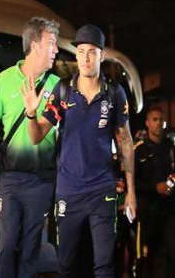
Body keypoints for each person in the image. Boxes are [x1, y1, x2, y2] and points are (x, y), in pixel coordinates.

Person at [21, 24, 137, 277]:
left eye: (91, 52)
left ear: (101, 56)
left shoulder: (115, 93)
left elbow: (125, 142)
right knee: (66, 265)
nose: (84, 58)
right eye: (80, 51)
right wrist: (31, 113)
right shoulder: (62, 90)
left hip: (102, 191)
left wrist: (131, 192)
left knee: (105, 265)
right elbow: (36, 136)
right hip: (69, 192)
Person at [0, 17, 60, 278]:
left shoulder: (56, 86)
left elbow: (50, 133)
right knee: (6, 244)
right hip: (11, 179)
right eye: (52, 43)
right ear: (35, 45)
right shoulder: (4, 81)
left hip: (42, 180)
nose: (56, 50)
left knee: (31, 247)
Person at [134, 106, 175, 277]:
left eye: (161, 120)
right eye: (155, 120)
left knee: (170, 252)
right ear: (147, 123)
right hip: (148, 212)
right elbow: (134, 182)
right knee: (147, 256)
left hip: (169, 209)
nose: (159, 124)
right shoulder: (140, 150)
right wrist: (154, 187)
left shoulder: (169, 146)